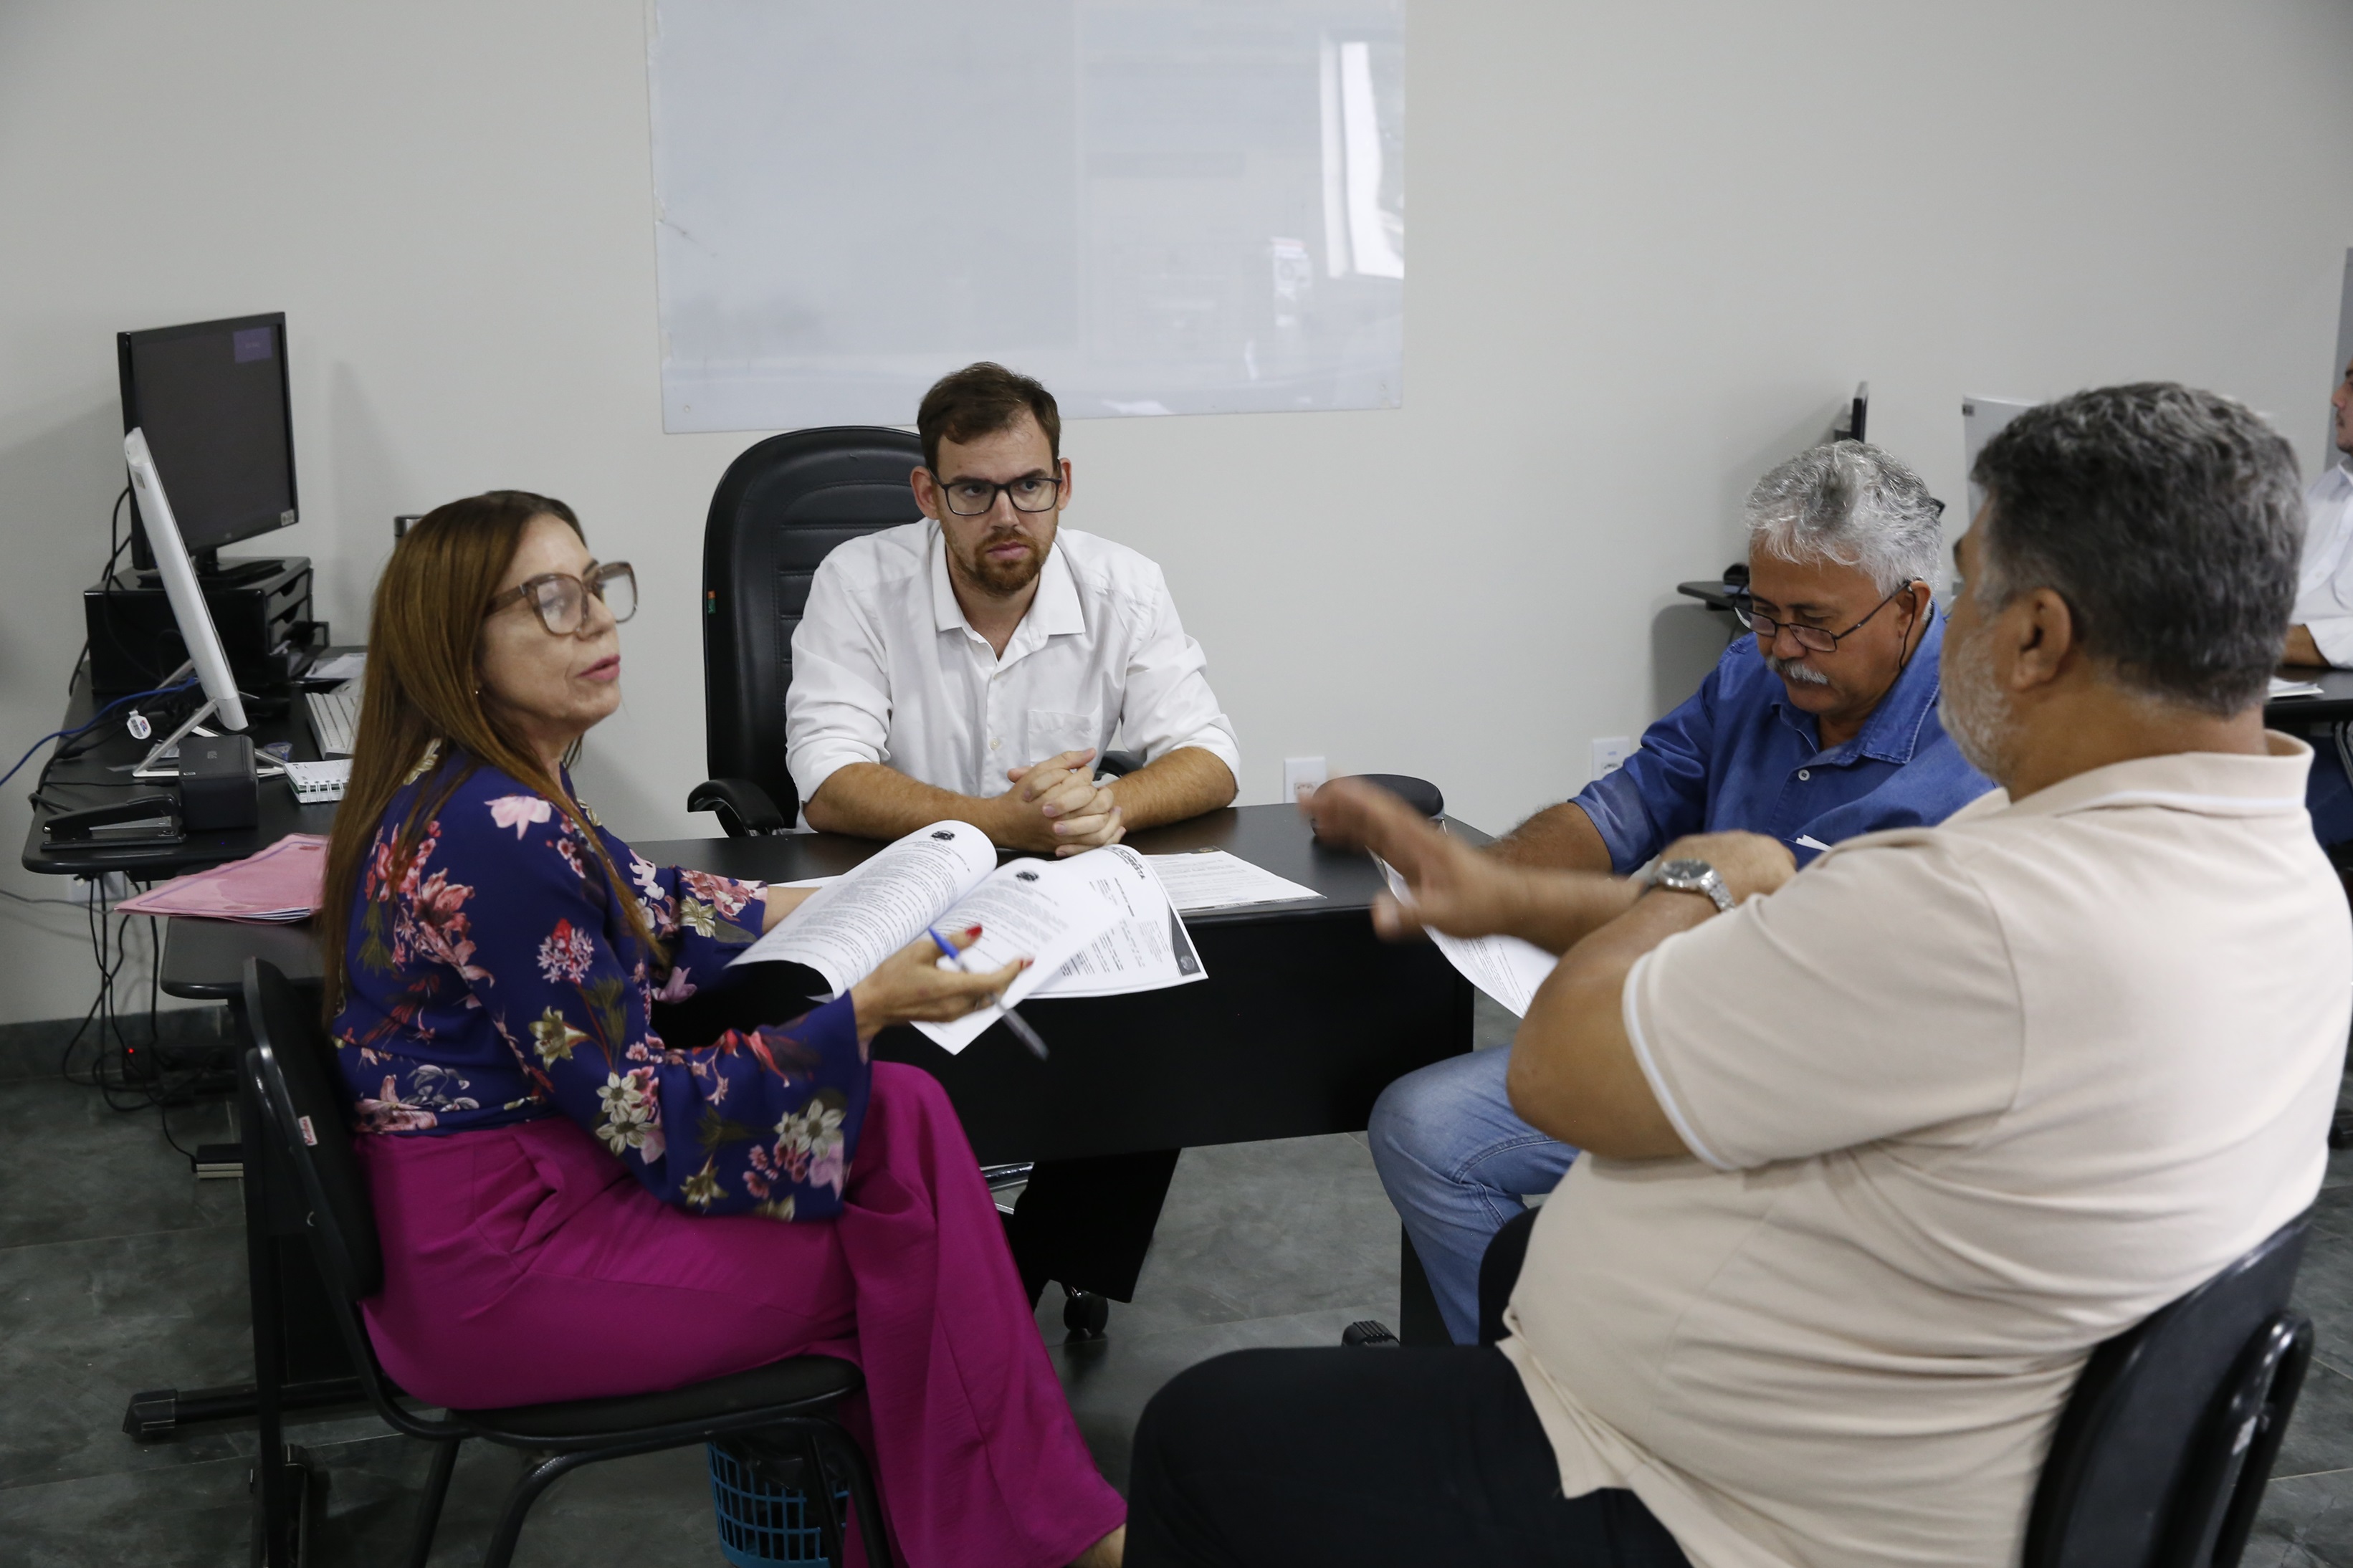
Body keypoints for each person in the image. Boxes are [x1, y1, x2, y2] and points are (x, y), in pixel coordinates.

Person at [1124, 383, 2348, 1568]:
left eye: (1970, 584)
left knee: (1199, 1433)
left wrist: (1699, 879)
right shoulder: (2284, 879)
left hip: (1735, 1507)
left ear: (2033, 635)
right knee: (1510, 1254)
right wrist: (1501, 883)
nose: (1786, 644)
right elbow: (1643, 810)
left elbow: (1559, 1070)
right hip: (1898, 1421)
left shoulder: (1976, 908)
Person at [325, 491, 1127, 1568]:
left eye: (594, 586)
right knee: (915, 1264)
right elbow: (646, 1116)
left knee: (901, 1110)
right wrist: (871, 1005)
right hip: (498, 1267)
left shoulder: (498, 792)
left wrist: (896, 886)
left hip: (526, 1199)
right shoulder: (499, 835)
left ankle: (1002, 1529)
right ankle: (1049, 1540)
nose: (595, 619)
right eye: (550, 601)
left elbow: (660, 903)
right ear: (460, 653)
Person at [1371, 440, 1992, 1344]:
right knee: (1422, 1126)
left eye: (1814, 623)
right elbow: (1621, 810)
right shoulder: (1751, 673)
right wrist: (1487, 876)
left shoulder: (1974, 747)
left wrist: (1520, 909)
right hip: (1687, 1024)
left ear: (1909, 606)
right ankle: (1521, 1377)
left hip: (1827, 1087)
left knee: (1491, 1145)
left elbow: (1792, 950)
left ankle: (1568, 1375)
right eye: (1763, 610)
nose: (1782, 647)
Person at [787, 361, 1241, 1312]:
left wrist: (1114, 806)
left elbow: (1209, 755)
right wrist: (1000, 822)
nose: (1006, 515)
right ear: (928, 495)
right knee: (907, 1071)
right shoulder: (857, 583)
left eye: (1029, 486)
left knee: (1164, 1012)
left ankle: (1023, 1273)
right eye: (974, 492)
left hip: (1055, 904)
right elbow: (827, 782)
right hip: (898, 902)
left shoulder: (1123, 584)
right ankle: (935, 1270)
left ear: (1062, 483)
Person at [2272, 353, 2353, 842]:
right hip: (2280, 726)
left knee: (2248, 841)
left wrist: (2259, 639)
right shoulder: (2325, 492)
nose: (2336, 399)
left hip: (2343, 752)